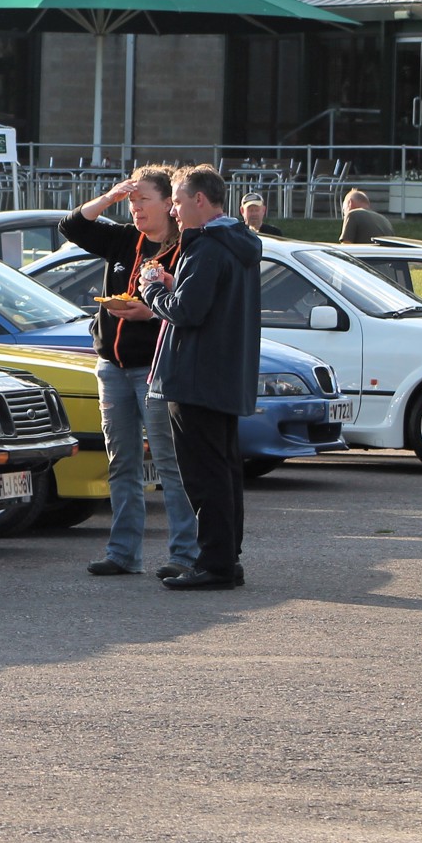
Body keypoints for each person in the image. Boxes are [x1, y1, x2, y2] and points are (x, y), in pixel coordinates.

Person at [59, 168, 198, 579]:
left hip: (154, 370)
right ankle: (123, 554)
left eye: (143, 200)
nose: (135, 208)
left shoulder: (185, 248)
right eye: (131, 201)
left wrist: (150, 310)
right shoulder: (123, 239)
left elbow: (190, 310)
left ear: (168, 205)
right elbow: (71, 225)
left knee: (170, 464)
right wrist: (108, 197)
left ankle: (184, 555)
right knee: (121, 463)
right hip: (112, 368)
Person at [141, 164, 261, 591]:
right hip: (223, 376)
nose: (172, 211)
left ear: (199, 200)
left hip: (196, 378)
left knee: (205, 475)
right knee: (224, 472)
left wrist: (153, 288)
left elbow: (188, 312)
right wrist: (177, 285)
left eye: (175, 200)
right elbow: (205, 299)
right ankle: (226, 557)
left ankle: (215, 564)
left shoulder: (208, 246)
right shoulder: (238, 241)